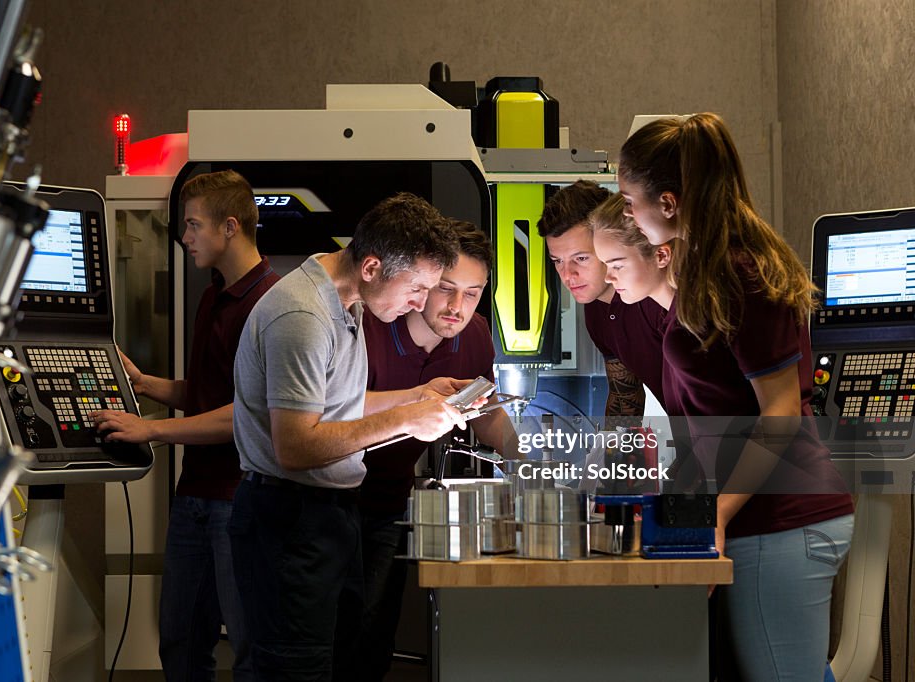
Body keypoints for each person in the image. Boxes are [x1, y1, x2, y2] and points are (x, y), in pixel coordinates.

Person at [618, 112, 854, 681]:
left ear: (669, 203)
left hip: (782, 521)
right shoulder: (704, 266)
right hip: (764, 518)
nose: (626, 213)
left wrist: (716, 516)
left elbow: (779, 415)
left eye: (629, 200)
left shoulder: (740, 273)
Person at [228, 192, 472, 681]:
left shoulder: (349, 300)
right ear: (373, 266)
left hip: (331, 515)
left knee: (343, 662)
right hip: (288, 519)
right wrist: (406, 421)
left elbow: (338, 405)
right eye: (418, 287)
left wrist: (417, 396)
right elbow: (296, 446)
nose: (421, 303)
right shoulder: (303, 315)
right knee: (297, 669)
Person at [91, 169, 279, 681]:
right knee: (180, 645)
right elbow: (205, 392)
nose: (184, 236)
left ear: (230, 227)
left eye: (194, 225)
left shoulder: (270, 305)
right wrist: (147, 384)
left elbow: (246, 415)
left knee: (249, 650)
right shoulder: (211, 297)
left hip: (239, 499)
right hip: (193, 497)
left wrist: (149, 430)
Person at [358, 219, 512, 680]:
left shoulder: (476, 335)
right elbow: (327, 412)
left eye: (472, 292)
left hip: (389, 502)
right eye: (446, 288)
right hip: (327, 500)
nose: (457, 307)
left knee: (372, 642)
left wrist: (537, 458)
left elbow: (486, 414)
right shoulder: (369, 324)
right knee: (327, 643)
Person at [537, 180, 668, 420]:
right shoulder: (596, 311)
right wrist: (607, 453)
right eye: (557, 261)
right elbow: (625, 399)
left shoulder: (656, 298)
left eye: (581, 258)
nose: (568, 275)